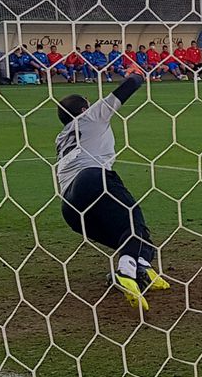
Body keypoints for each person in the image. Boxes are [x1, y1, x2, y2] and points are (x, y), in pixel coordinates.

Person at [55, 68, 170, 311]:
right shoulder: (90, 117)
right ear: (83, 109)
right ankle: (125, 272)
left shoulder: (62, 137)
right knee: (133, 220)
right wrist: (137, 74)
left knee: (134, 238)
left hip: (70, 207)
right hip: (92, 178)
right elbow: (127, 88)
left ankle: (142, 268)